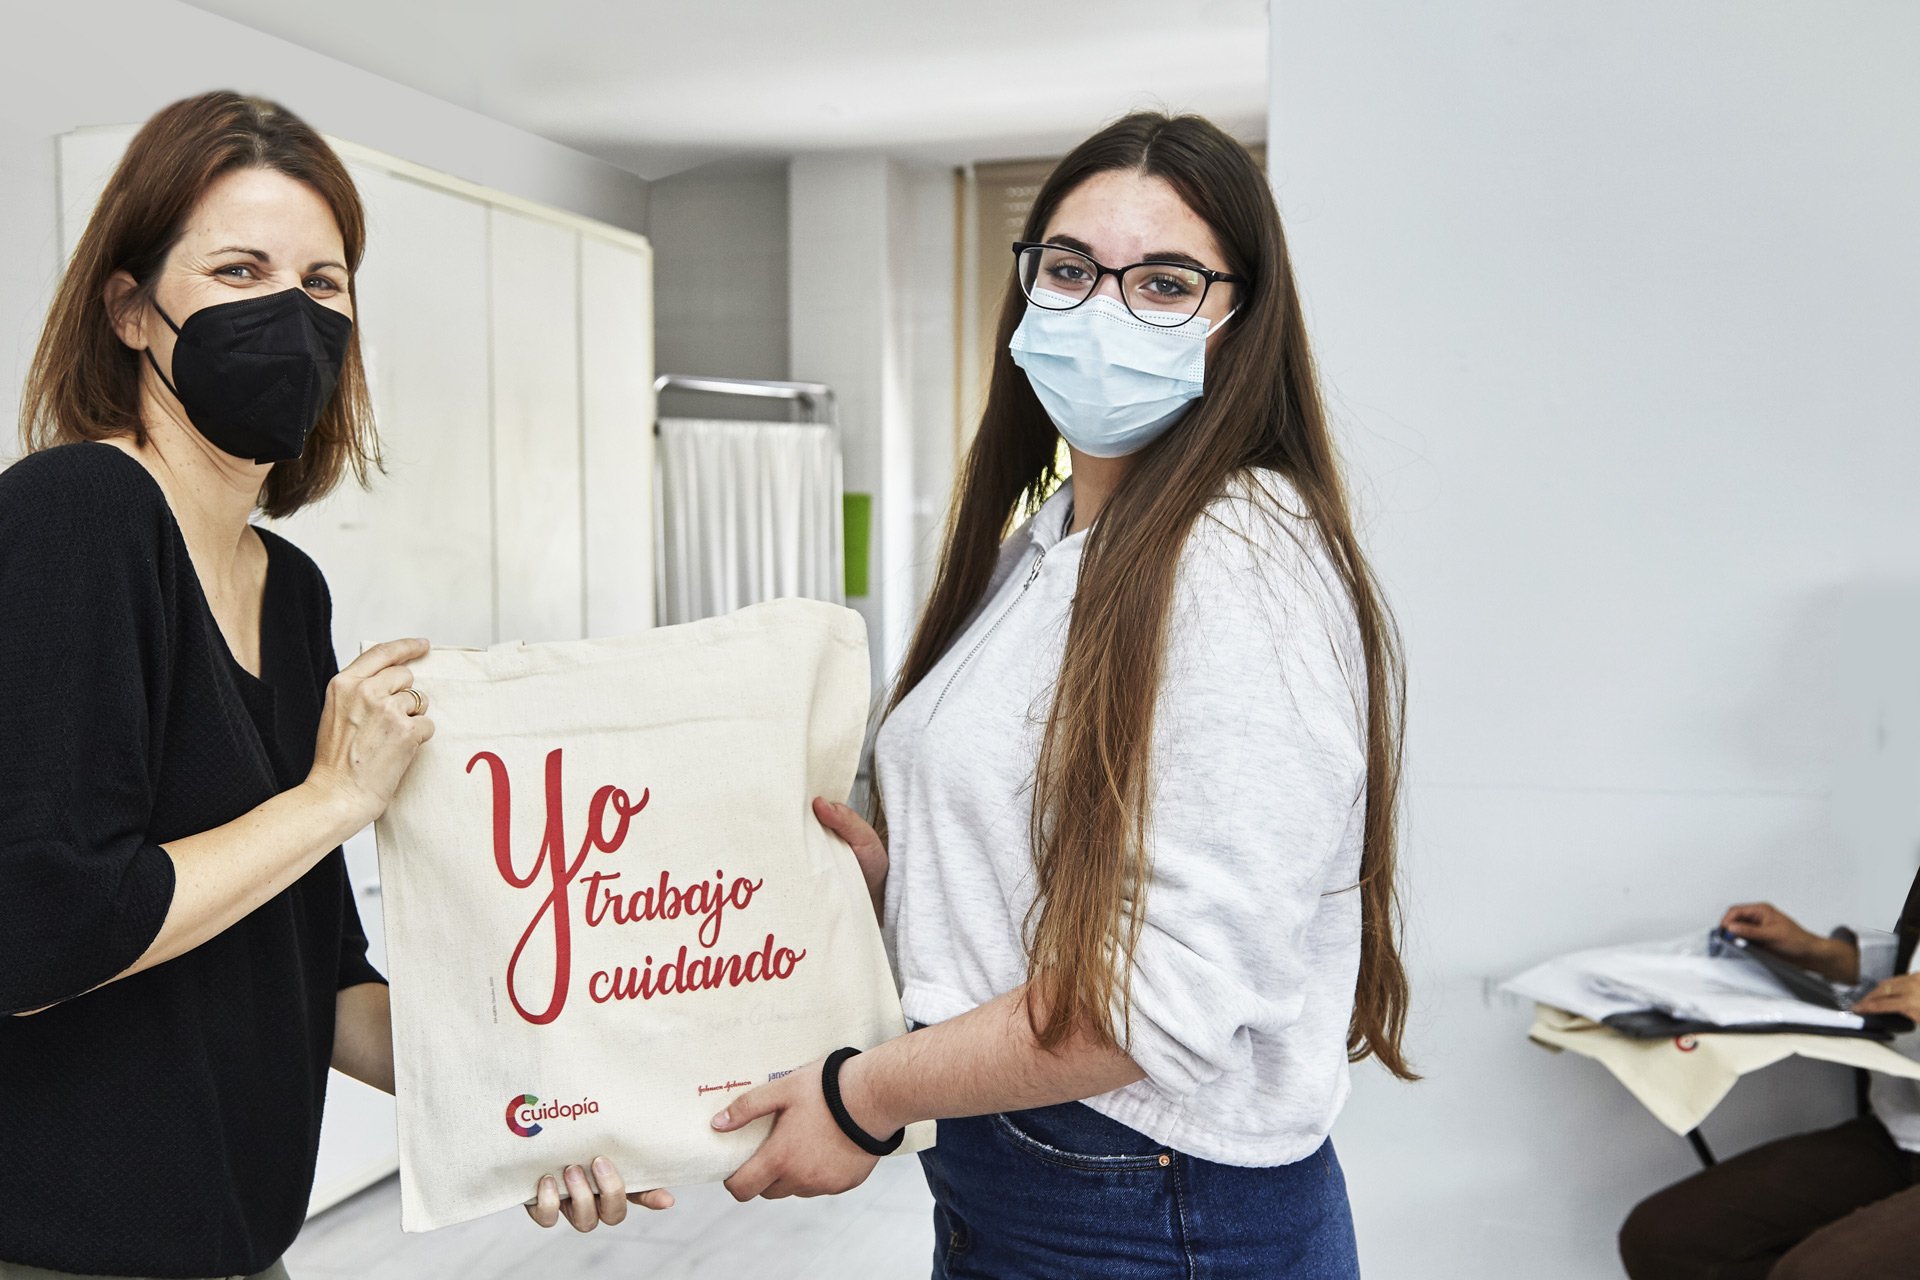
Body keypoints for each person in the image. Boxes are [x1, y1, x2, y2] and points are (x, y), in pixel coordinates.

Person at [704, 111, 1415, 1278]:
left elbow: (1164, 996)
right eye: (1072, 268)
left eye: (1167, 282)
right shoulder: (1050, 545)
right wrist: (899, 888)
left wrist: (860, 1095)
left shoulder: (1238, 558)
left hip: (1147, 1196)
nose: (1102, 311)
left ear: (1240, 324)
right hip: (1033, 1168)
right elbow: (1050, 860)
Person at [0, 91, 661, 1279]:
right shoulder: (76, 515)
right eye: (239, 271)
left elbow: (332, 980)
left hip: (239, 1244)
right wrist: (333, 797)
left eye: (322, 283)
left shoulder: (289, 588)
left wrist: (549, 1105)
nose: (290, 314)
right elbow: (39, 936)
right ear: (130, 308)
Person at [1618, 890, 1920, 1280]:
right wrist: (1820, 953)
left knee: (1815, 1272)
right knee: (1663, 1239)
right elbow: (1910, 963)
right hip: (1905, 1129)